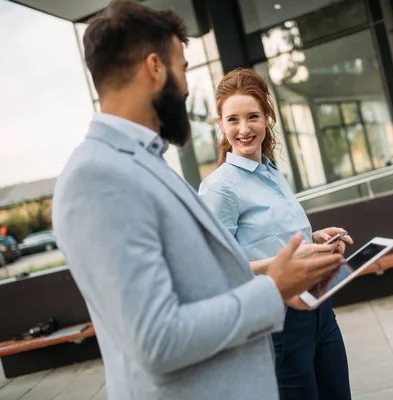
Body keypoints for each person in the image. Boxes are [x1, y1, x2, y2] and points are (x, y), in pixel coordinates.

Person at [51, 2, 344, 400]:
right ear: (155, 67)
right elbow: (157, 340)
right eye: (184, 68)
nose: (187, 87)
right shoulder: (97, 177)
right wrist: (274, 285)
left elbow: (201, 280)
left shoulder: (143, 163)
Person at [198, 68, 353, 400]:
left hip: (319, 310)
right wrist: (286, 261)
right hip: (277, 322)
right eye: (233, 119)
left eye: (253, 116)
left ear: (267, 117)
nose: (244, 129)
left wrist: (313, 240)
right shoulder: (218, 188)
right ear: (221, 125)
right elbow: (214, 267)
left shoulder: (271, 171)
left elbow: (275, 240)